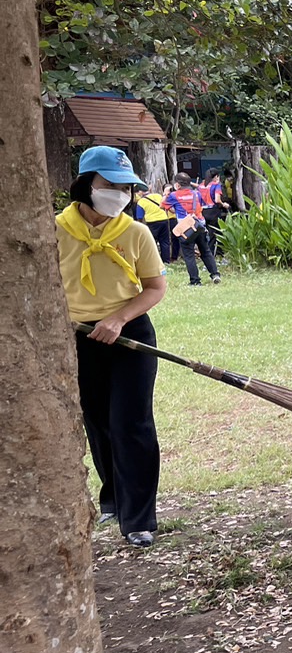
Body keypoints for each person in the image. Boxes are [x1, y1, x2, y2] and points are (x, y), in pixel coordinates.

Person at [56, 146, 167, 548]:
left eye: (125, 187)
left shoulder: (134, 232)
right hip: (77, 338)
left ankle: (139, 519)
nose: (118, 193)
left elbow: (155, 288)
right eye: (109, 185)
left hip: (130, 335)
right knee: (98, 423)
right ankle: (114, 499)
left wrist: (118, 319)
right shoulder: (54, 230)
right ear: (86, 185)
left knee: (131, 423)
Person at [162, 172, 220, 285]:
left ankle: (195, 281)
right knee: (206, 251)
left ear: (177, 185)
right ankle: (215, 274)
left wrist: (165, 193)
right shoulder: (196, 194)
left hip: (186, 229)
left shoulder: (174, 196)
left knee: (189, 255)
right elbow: (200, 205)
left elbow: (162, 206)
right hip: (199, 226)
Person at [135, 185, 175, 263]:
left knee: (152, 242)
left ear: (141, 192)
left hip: (152, 222)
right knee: (165, 242)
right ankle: (166, 261)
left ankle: (153, 260)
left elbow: (139, 216)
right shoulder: (158, 195)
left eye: (138, 192)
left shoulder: (141, 201)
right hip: (164, 220)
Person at [199, 169, 229, 255]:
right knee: (216, 233)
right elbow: (217, 199)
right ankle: (216, 253)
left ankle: (206, 252)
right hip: (213, 211)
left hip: (203, 211)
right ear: (216, 176)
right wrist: (224, 205)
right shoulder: (216, 185)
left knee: (206, 233)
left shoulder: (201, 186)